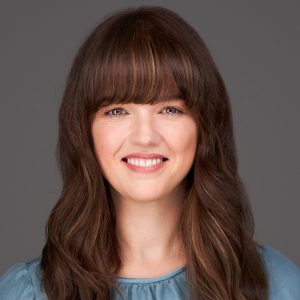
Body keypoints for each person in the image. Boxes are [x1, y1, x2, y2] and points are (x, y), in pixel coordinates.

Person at [0, 5, 300, 300]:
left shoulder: (275, 285)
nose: (145, 137)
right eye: (117, 110)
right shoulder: (29, 293)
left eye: (170, 109)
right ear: (84, 130)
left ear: (204, 126)